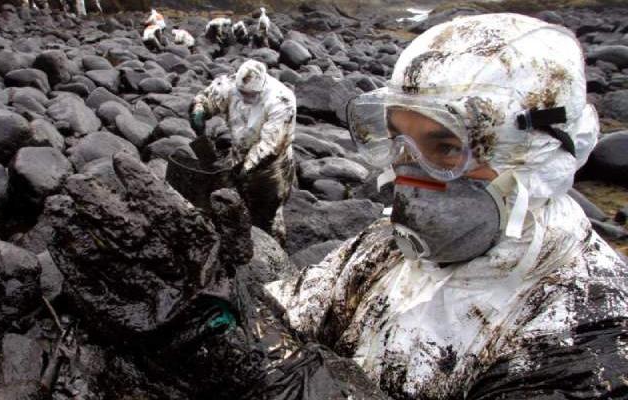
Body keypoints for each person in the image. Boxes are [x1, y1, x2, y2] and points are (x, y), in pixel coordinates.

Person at [267, 13, 628, 399]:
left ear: (535, 154)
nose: (409, 171)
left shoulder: (591, 328)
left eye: (447, 148)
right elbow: (282, 316)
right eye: (398, 140)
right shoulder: (382, 252)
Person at [189, 60, 296, 244]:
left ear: (261, 87)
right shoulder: (229, 85)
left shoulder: (281, 100)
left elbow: (272, 145)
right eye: (242, 92)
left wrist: (247, 167)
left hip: (272, 167)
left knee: (270, 216)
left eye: (250, 94)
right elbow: (209, 98)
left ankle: (275, 249)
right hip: (238, 152)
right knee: (233, 201)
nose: (245, 97)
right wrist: (199, 108)